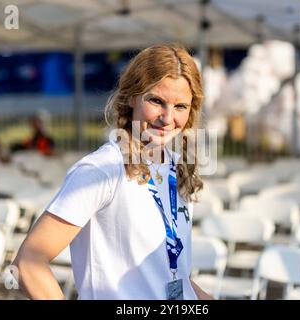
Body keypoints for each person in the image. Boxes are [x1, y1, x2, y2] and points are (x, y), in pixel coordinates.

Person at [13, 44, 213, 300]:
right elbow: (28, 262)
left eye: (180, 107)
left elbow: (170, 275)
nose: (167, 117)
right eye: (156, 101)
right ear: (131, 98)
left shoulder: (178, 168)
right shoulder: (101, 170)